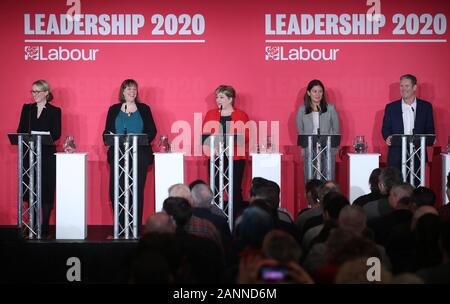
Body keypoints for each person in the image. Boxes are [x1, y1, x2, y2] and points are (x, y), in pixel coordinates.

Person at [103, 79, 157, 234]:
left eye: (134, 89)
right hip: (118, 153)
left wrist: (140, 139)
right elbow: (106, 132)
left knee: (136, 191)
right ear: (123, 92)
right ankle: (120, 225)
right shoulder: (113, 109)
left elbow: (152, 131)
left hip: (139, 153)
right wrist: (109, 136)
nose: (131, 92)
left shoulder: (144, 109)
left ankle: (135, 227)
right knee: (116, 190)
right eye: (128, 89)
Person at [17, 80, 61, 237]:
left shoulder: (55, 111)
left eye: (38, 92)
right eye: (33, 92)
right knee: (30, 188)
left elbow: (56, 133)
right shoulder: (27, 109)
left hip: (47, 155)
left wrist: (40, 136)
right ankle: (32, 224)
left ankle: (44, 226)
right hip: (29, 154)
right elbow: (20, 130)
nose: (34, 95)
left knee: (47, 189)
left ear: (46, 93)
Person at [202, 85, 250, 218]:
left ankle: (236, 220)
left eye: (222, 97)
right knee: (215, 188)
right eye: (217, 97)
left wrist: (229, 138)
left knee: (234, 189)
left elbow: (246, 136)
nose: (218, 100)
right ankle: (217, 218)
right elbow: (205, 134)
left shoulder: (241, 115)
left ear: (230, 99)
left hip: (235, 158)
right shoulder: (211, 114)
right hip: (215, 157)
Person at [381, 74, 435, 174]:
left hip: (418, 153)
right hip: (396, 154)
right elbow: (386, 128)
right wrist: (387, 137)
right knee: (396, 186)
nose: (403, 89)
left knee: (416, 186)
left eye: (406, 86)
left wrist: (431, 138)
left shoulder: (426, 107)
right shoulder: (391, 107)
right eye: (401, 86)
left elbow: (430, 128)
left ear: (414, 87)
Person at [296, 79, 340, 181]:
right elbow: (300, 131)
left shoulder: (331, 108)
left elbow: (336, 129)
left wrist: (333, 147)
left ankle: (327, 196)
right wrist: (304, 147)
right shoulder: (302, 110)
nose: (317, 94)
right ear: (308, 93)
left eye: (320, 91)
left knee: (328, 178)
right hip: (309, 147)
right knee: (310, 178)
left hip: (327, 148)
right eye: (314, 91)